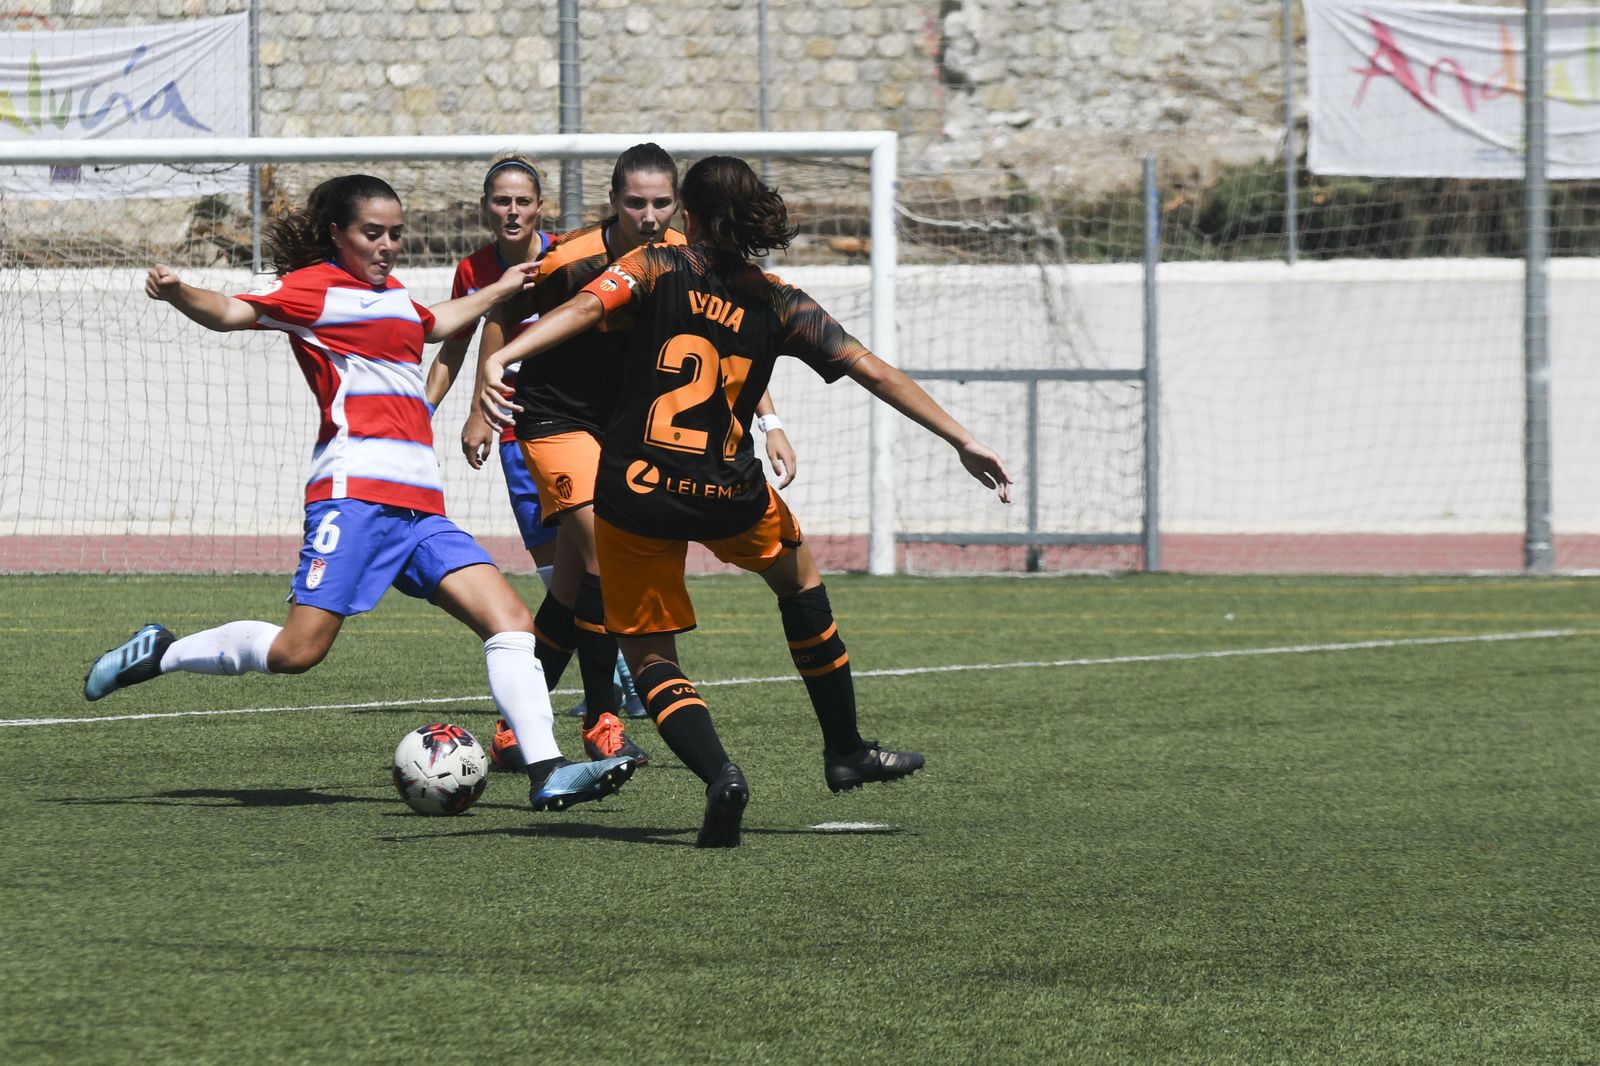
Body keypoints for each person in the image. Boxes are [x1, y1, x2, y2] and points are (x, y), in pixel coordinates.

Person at [477, 156, 1012, 847]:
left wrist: (500, 357)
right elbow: (872, 369)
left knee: (651, 657)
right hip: (731, 492)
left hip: (638, 490)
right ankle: (844, 748)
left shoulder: (651, 269)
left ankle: (721, 774)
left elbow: (583, 308)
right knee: (801, 586)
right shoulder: (779, 300)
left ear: (688, 217)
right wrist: (961, 439)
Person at [83, 173, 637, 814]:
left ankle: (548, 772)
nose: (388, 246)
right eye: (373, 234)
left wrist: (502, 289)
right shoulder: (313, 290)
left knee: (511, 622)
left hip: (422, 509)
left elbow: (434, 326)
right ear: (337, 235)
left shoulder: (396, 297)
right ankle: (163, 652)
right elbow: (233, 313)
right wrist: (179, 292)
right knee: (297, 652)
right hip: (355, 499)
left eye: (396, 234)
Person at [472, 143, 797, 774]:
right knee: (604, 557)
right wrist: (484, 395)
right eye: (634, 203)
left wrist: (770, 419)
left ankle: (517, 728)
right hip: (555, 419)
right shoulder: (571, 259)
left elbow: (727, 341)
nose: (649, 216)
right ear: (611, 201)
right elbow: (504, 312)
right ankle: (602, 718)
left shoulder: (686, 259)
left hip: (624, 434)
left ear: (677, 203)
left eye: (661, 203)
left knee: (571, 587)